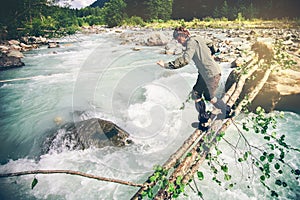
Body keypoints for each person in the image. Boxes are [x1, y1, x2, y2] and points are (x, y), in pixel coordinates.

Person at [157, 27, 232, 131]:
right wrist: (215, 51)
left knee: (208, 97)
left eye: (178, 37)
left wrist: (166, 65)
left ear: (183, 35)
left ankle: (221, 114)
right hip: (206, 73)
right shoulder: (198, 38)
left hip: (210, 74)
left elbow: (185, 60)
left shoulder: (190, 43)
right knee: (196, 93)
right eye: (176, 38)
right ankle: (207, 117)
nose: (177, 40)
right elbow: (210, 43)